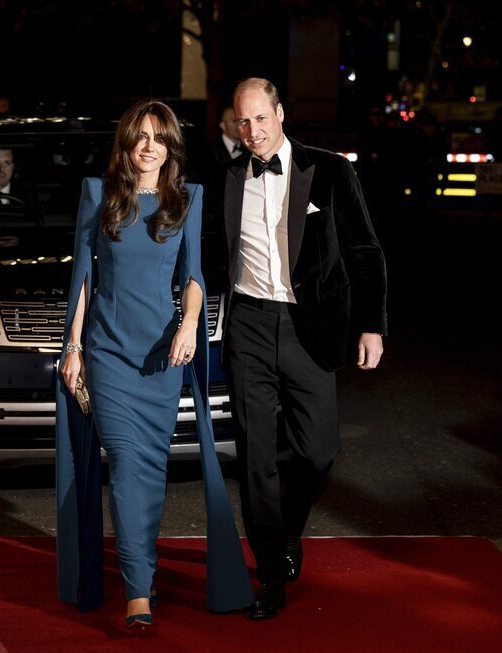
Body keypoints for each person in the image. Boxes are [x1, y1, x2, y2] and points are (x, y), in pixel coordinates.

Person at [55, 99, 253, 626]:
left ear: (170, 147)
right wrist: (72, 347)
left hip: (161, 355)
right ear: (127, 143)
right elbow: (82, 279)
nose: (149, 146)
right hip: (109, 353)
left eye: (159, 138)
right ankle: (138, 589)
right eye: (140, 136)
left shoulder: (188, 199)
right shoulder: (99, 195)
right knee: (123, 463)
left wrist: (190, 325)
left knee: (150, 470)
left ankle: (142, 566)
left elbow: (194, 276)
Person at [220, 78, 387, 619]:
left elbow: (365, 249)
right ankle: (271, 571)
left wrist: (371, 325)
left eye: (261, 119)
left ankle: (288, 530)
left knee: (318, 450)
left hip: (308, 326)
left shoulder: (330, 170)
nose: (252, 132)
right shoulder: (224, 177)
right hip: (247, 323)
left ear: (281, 113)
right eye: (243, 122)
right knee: (255, 459)